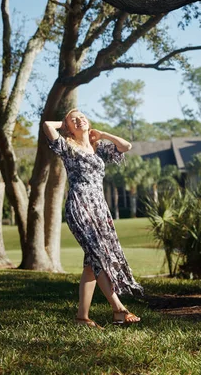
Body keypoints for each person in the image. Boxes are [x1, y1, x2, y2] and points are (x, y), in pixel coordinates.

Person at [43, 109, 143, 328]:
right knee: (97, 257)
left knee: (91, 263)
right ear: (68, 126)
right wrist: (63, 123)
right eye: (74, 119)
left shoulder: (98, 148)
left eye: (82, 116)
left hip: (99, 208)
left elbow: (126, 147)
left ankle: (82, 317)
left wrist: (104, 134)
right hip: (80, 205)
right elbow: (47, 127)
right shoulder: (67, 147)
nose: (79, 120)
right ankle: (119, 310)